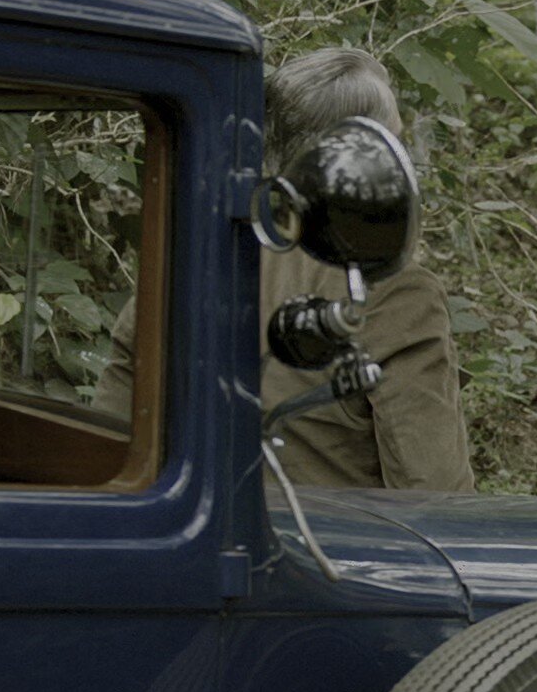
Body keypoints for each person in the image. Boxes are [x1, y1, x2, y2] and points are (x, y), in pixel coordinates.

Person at [92, 47, 473, 491]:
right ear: (359, 161)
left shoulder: (190, 259)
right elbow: (433, 492)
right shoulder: (395, 290)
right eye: (392, 144)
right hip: (320, 536)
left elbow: (109, 443)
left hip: (184, 528)